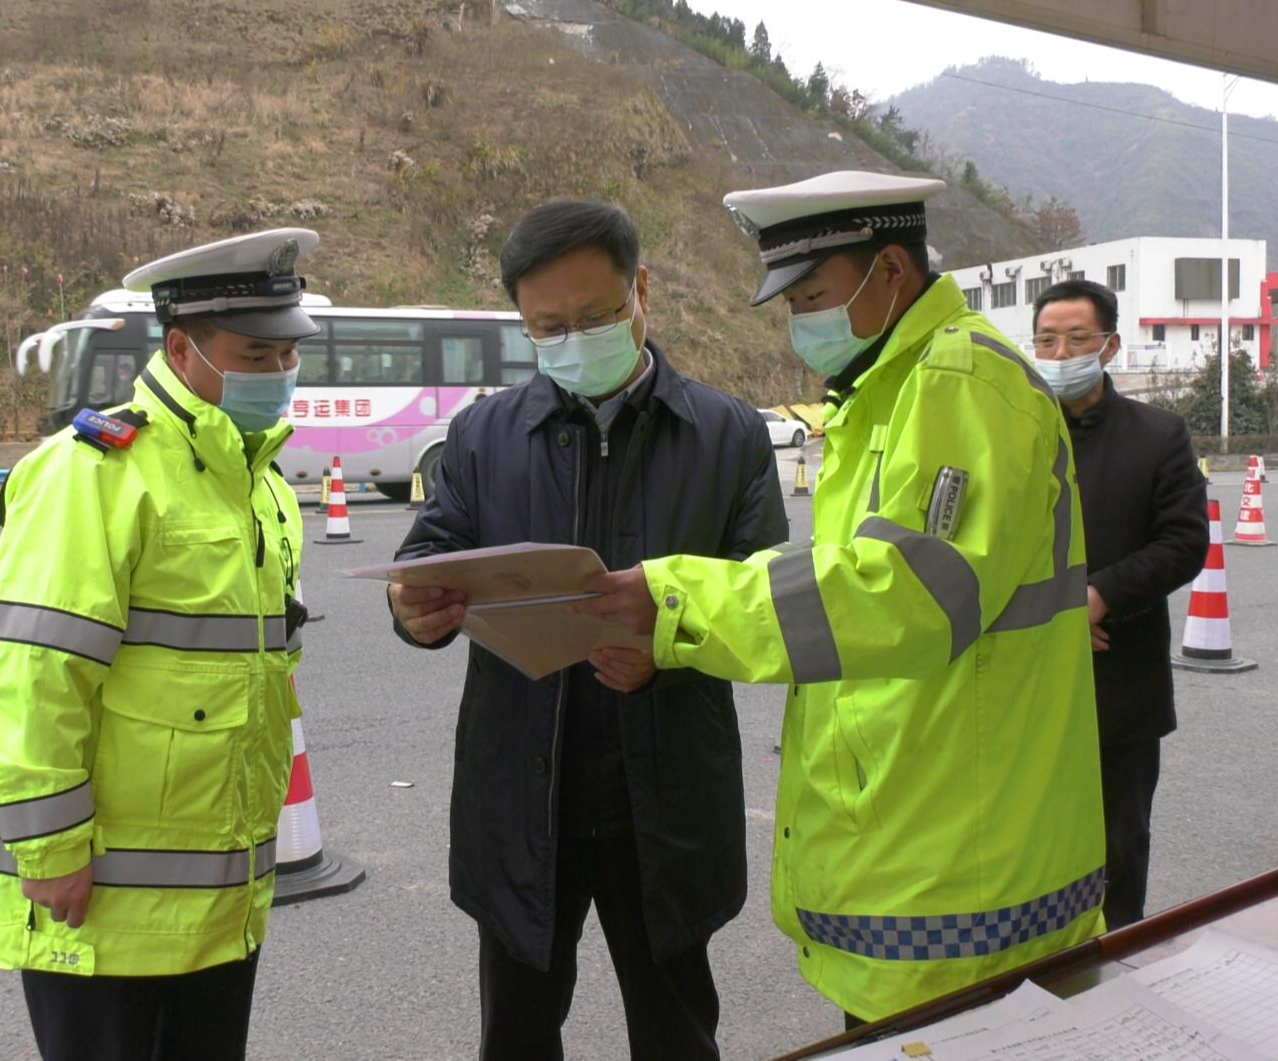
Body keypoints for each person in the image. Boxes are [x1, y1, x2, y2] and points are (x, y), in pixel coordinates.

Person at [578, 171, 1108, 1026]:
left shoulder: (960, 382)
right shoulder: (888, 389)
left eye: (814, 295)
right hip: (925, 833)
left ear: (891, 269)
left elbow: (907, 593)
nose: (800, 323)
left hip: (963, 867)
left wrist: (675, 600)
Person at [388, 199, 788, 1059]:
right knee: (519, 1032)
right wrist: (413, 612)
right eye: (549, 326)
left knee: (677, 1029)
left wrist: (668, 646)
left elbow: (767, 596)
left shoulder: (727, 433)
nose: (573, 339)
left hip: (666, 796)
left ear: (641, 291)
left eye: (596, 316)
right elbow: (430, 554)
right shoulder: (485, 433)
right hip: (525, 797)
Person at [0, 228, 319, 1060]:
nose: (279, 374)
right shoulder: (94, 471)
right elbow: (31, 669)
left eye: (288, 355)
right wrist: (46, 846)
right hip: (102, 893)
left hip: (218, 896)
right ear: (183, 347)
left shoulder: (260, 484)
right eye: (256, 355)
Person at [1031, 278, 1209, 928]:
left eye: (1077, 338)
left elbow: (1185, 541)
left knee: (1117, 855)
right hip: (1028, 686)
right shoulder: (1011, 437)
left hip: (1119, 689)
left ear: (1110, 346)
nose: (1060, 351)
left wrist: (1100, 597)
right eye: (1047, 339)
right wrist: (1052, 612)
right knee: (1027, 856)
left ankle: (1116, 996)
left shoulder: (1157, 434)